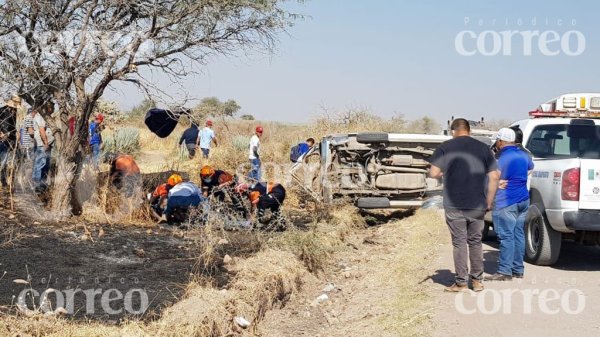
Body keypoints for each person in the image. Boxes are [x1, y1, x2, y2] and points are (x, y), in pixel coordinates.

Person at [428, 118, 499, 292]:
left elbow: (433, 173)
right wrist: (489, 201)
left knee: (459, 242)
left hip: (454, 203)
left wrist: (447, 171)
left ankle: (460, 282)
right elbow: (495, 176)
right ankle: (476, 281)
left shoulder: (445, 147)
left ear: (453, 131)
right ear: (470, 131)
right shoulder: (483, 148)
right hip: (477, 203)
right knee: (475, 241)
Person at [485, 128, 534, 281]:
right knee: (518, 234)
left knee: (506, 236)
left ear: (500, 141)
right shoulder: (524, 155)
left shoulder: (501, 158)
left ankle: (505, 271)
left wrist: (498, 183)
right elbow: (530, 169)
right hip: (523, 200)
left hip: (506, 201)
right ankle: (518, 269)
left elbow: (492, 179)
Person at [31, 104, 54, 192]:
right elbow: (41, 130)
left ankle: (42, 185)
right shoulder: (40, 116)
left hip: (47, 144)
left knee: (46, 165)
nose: (52, 109)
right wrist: (46, 142)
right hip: (43, 144)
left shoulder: (45, 117)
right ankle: (37, 186)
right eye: (51, 107)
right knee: (40, 164)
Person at [0, 95, 21, 188]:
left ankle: (12, 180)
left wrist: (16, 132)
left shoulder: (14, 112)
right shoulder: (2, 111)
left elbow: (12, 125)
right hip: (2, 140)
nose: (15, 108)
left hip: (12, 139)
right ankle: (3, 181)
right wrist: (0, 133)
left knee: (16, 158)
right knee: (3, 160)